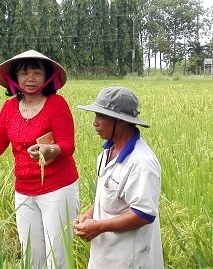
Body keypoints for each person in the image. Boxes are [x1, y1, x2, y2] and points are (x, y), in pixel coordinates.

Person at [0, 50, 79, 269]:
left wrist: (49, 150)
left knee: (57, 257)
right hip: (24, 191)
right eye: (24, 73)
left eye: (37, 73)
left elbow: (68, 145)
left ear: (46, 77)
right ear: (15, 78)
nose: (30, 78)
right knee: (31, 254)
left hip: (57, 189)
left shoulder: (56, 104)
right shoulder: (9, 108)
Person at [73, 86, 163, 268]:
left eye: (101, 116)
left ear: (121, 121)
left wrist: (99, 227)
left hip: (128, 258)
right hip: (104, 254)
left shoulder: (141, 163)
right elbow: (109, 196)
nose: (95, 123)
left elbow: (143, 214)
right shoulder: (107, 152)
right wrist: (88, 215)